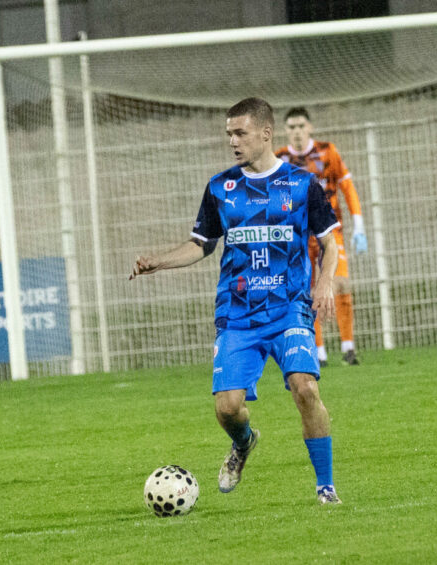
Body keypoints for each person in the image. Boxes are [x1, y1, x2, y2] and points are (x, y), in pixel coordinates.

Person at [130, 98, 342, 504]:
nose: (232, 140)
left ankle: (325, 485)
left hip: (289, 309)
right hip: (238, 316)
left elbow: (328, 243)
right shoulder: (220, 187)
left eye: (240, 132)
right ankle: (243, 443)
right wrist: (159, 261)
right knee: (227, 408)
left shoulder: (301, 184)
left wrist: (324, 282)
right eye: (229, 133)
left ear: (266, 134)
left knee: (306, 388)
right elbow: (200, 245)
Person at [276, 108, 368, 366]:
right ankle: (318, 352)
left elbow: (347, 187)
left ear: (310, 127)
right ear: (286, 131)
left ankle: (348, 348)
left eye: (300, 126)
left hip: (330, 232)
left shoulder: (328, 151)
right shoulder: (279, 160)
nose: (296, 131)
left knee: (341, 283)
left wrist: (358, 224)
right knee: (308, 290)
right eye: (291, 127)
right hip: (299, 237)